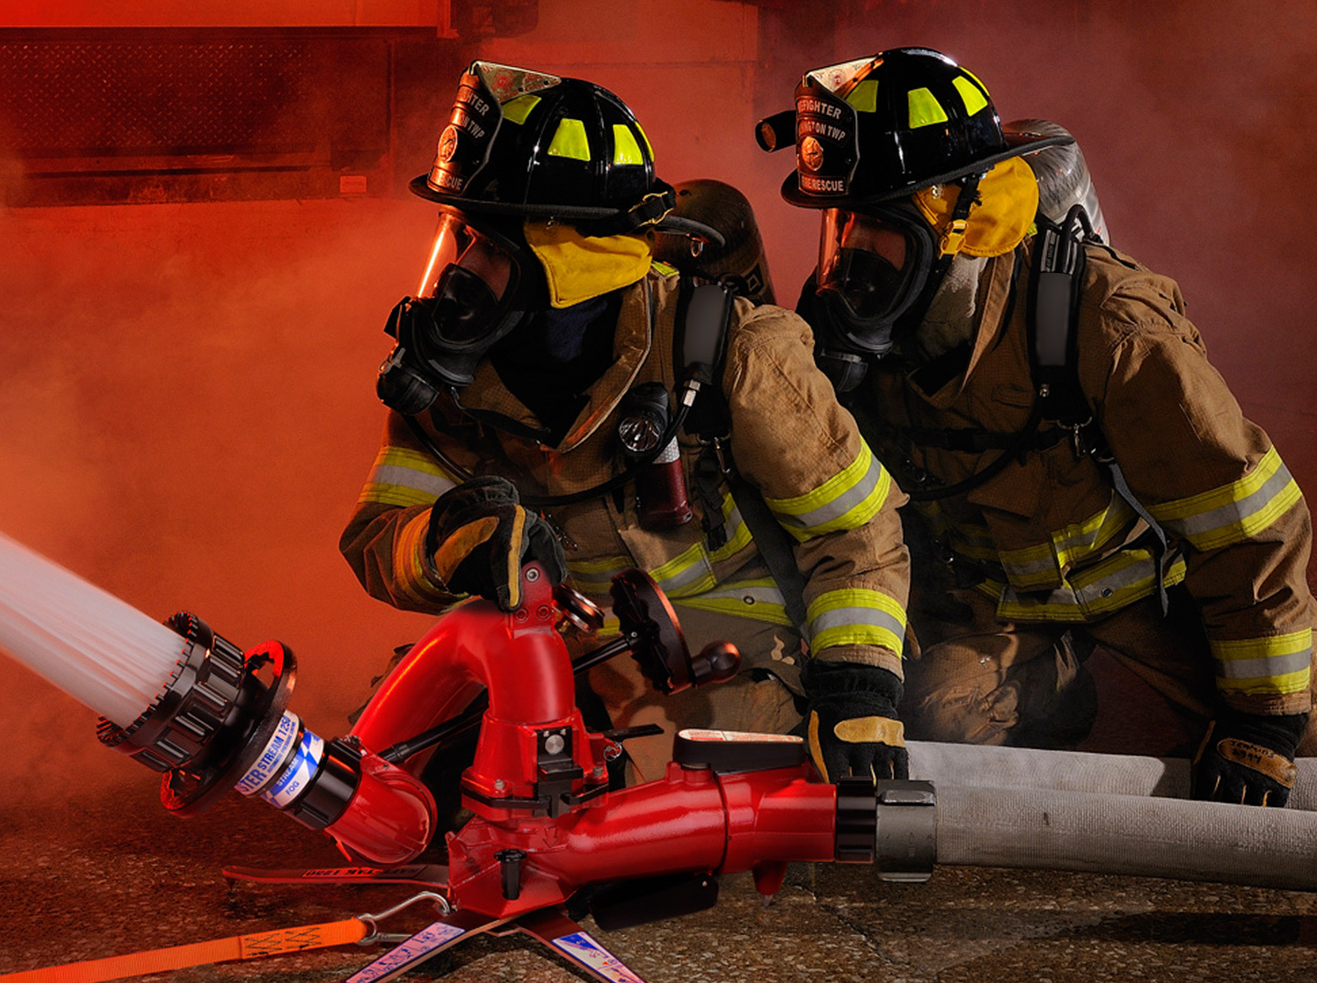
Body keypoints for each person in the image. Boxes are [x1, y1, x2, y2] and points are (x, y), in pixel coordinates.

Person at [758, 47, 1317, 806]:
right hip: (1004, 606)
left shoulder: (1109, 325)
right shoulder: (867, 335)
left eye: (878, 226)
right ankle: (1063, 688)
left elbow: (1245, 520)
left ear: (967, 223)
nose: (850, 258)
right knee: (934, 720)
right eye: (841, 223)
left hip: (1151, 594)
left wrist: (1263, 716)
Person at [340, 61, 912, 787]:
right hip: (552, 643)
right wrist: (447, 543)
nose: (461, 273)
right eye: (462, 237)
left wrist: (857, 690)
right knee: (386, 776)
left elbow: (857, 533)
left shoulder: (737, 352)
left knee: (641, 803)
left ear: (565, 260)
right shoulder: (454, 380)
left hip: (725, 646)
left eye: (489, 245)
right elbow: (378, 537)